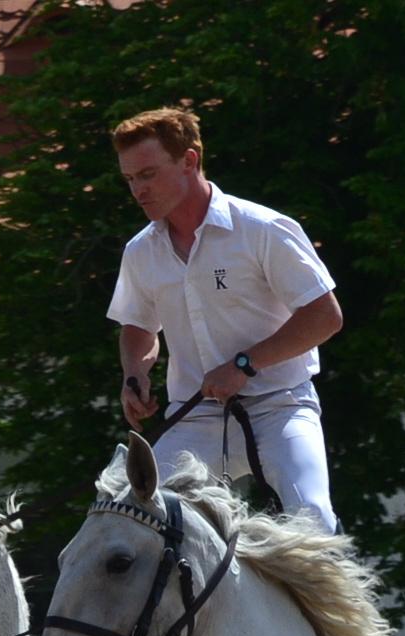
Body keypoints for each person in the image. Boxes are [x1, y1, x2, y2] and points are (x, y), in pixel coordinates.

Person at [109, 107, 344, 533]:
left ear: (189, 160)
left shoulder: (262, 228)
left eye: (148, 174)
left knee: (315, 519)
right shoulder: (140, 251)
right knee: (129, 517)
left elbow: (324, 316)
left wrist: (243, 364)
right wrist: (134, 373)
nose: (138, 190)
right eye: (129, 179)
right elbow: (139, 326)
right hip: (195, 416)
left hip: (280, 406)